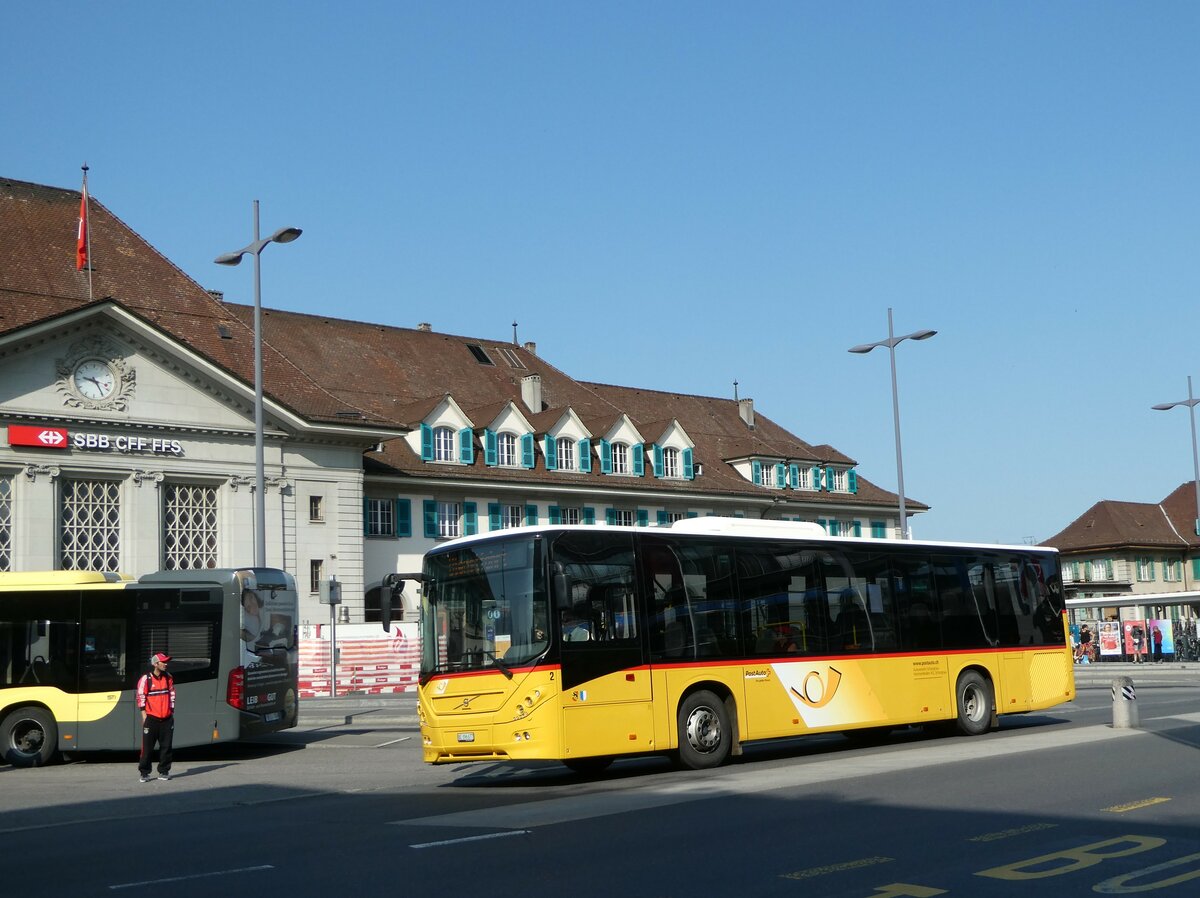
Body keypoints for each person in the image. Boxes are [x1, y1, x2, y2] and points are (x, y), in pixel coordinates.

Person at [136, 652, 176, 782]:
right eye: (163, 662)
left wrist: (171, 713)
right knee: (147, 748)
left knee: (166, 747)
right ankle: (144, 772)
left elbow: (172, 695)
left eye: (166, 662)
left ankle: (164, 772)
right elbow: (141, 697)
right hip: (151, 719)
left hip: (166, 719)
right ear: (155, 664)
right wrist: (144, 716)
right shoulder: (145, 679)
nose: (166, 664)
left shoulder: (168, 677)